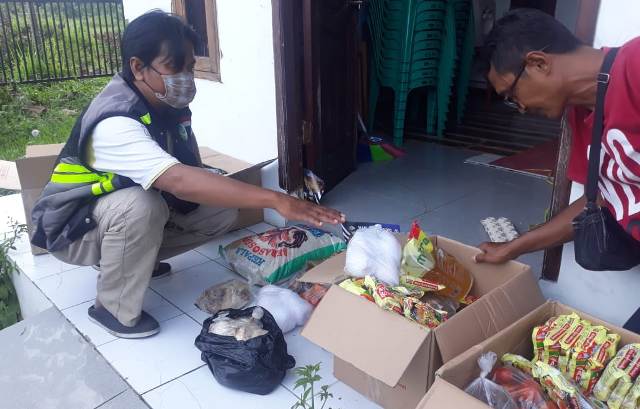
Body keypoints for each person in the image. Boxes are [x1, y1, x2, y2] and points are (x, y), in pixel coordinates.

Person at [29, 11, 345, 339]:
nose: (186, 77)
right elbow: (178, 180)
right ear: (138, 68)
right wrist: (274, 200)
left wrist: (218, 181)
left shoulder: (167, 106)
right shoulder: (116, 120)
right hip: (71, 229)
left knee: (219, 210)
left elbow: (190, 169)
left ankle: (134, 261)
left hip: (105, 215)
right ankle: (111, 308)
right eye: (174, 67)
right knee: (140, 206)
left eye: (191, 67)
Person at [474, 8, 640, 333]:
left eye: (511, 95)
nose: (520, 108)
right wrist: (514, 247)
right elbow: (602, 200)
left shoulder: (635, 66)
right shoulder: (581, 118)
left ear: (539, 63)